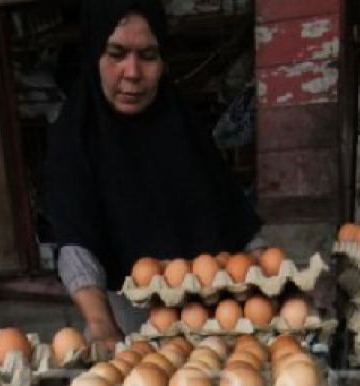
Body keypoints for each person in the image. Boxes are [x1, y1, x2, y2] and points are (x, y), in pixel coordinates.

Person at [45, 0, 264, 353]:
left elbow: (232, 221)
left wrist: (265, 275)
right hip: (128, 326)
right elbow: (75, 241)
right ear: (93, 55)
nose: (132, 72)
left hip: (211, 324)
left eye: (147, 55)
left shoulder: (183, 130)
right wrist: (102, 327)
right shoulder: (74, 138)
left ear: (163, 63)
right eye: (117, 54)